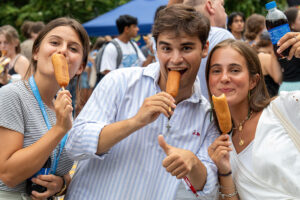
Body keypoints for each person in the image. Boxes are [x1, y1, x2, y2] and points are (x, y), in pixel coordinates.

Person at [65, 5, 219, 200]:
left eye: (186, 48)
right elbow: (75, 144)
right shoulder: (120, 82)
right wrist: (135, 121)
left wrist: (194, 164)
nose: (175, 59)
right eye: (166, 48)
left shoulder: (206, 114)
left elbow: (208, 189)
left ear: (204, 48)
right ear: (155, 48)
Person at [0, 17, 89, 200]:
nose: (63, 50)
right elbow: (9, 174)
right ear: (36, 52)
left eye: (73, 48)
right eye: (55, 42)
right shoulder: (12, 95)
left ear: (80, 67)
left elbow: (62, 170)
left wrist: (61, 184)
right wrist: (59, 129)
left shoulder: (63, 107)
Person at [206, 39, 300, 199]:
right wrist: (225, 171)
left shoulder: (285, 107)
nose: (224, 78)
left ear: (253, 81)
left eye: (234, 70)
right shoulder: (218, 144)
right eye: (216, 71)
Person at [183, 0, 235, 99]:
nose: (225, 13)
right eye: (222, 5)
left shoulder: (170, 41)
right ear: (210, 6)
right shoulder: (221, 36)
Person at [97, 15, 154, 80]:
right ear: (126, 29)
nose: (137, 29)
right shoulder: (112, 47)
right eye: (134, 26)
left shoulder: (133, 45)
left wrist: (151, 52)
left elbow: (144, 66)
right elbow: (108, 73)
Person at [255, 33, 282, 97]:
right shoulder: (266, 57)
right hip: (269, 96)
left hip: (260, 96)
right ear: (271, 43)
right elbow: (277, 78)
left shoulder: (256, 54)